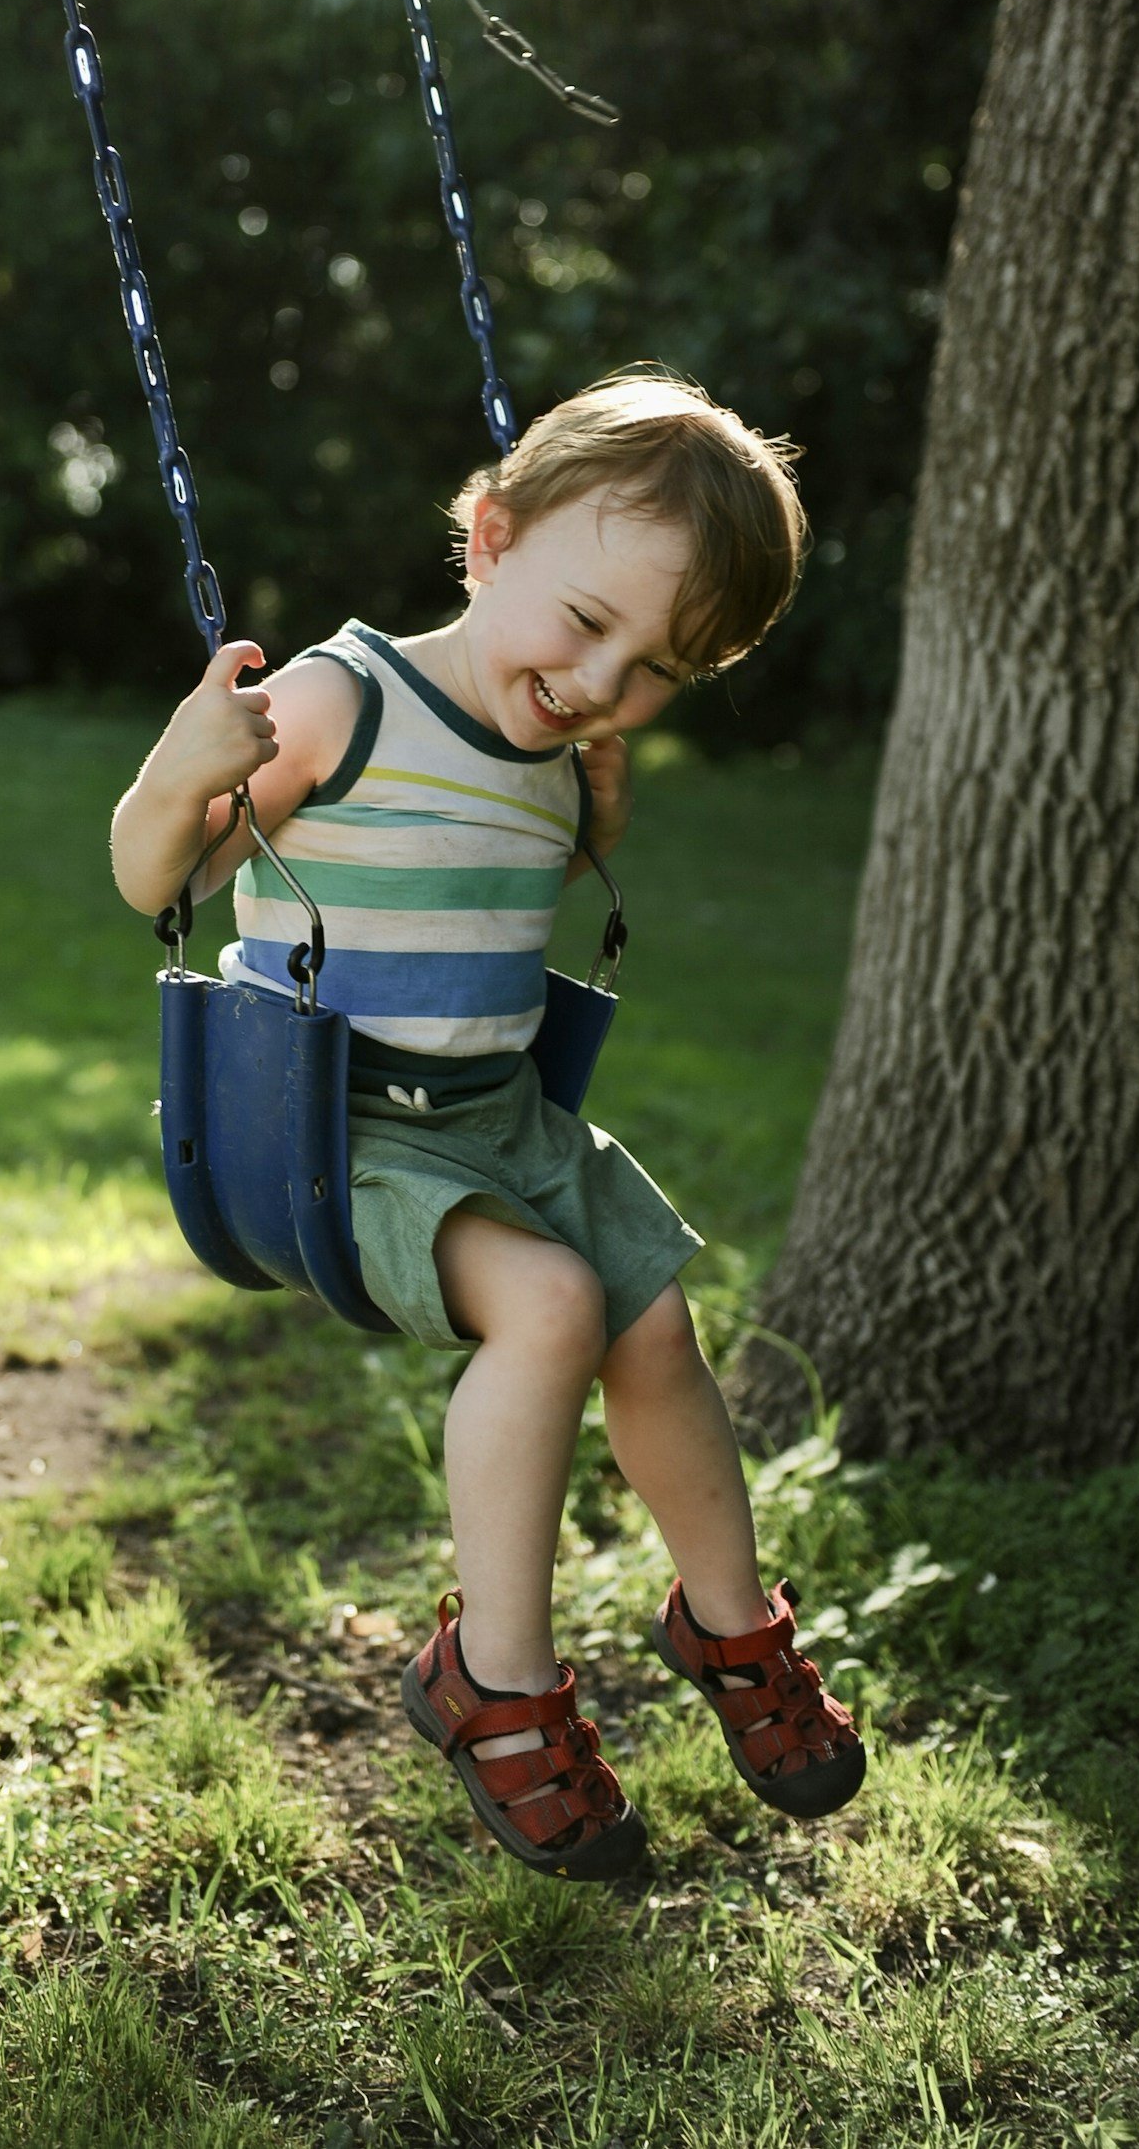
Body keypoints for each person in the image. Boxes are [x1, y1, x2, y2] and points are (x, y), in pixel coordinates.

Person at [110, 369, 864, 1879]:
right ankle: (494, 1683)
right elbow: (158, 886)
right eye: (588, 627)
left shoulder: (564, 754)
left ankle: (732, 1633)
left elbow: (498, 866)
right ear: (490, 537)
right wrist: (181, 775)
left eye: (654, 671)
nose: (601, 686)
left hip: (499, 1119)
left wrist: (594, 820)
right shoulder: (339, 698)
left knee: (652, 1325)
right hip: (338, 1132)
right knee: (554, 1305)